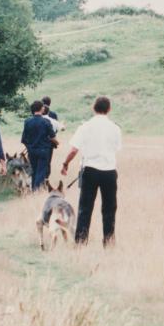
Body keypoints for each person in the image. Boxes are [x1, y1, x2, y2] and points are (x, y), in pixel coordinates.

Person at [61, 96, 122, 247]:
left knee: (85, 208)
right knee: (109, 208)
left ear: (93, 108)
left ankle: (81, 241)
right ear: (109, 109)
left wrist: (65, 163)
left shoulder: (85, 126)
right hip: (109, 171)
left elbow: (74, 150)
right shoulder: (115, 128)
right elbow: (116, 148)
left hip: (90, 170)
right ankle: (108, 241)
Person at [21, 100, 56, 191]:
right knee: (41, 172)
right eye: (43, 107)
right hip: (43, 150)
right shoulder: (46, 122)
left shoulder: (27, 121)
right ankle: (36, 190)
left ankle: (33, 189)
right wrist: (57, 142)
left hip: (32, 151)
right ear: (41, 109)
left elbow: (24, 139)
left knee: (34, 171)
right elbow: (52, 136)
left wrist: (29, 147)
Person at [41, 96, 61, 179]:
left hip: (40, 141)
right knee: (48, 161)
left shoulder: (39, 114)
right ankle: (46, 177)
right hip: (51, 141)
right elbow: (56, 128)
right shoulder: (53, 114)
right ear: (50, 103)